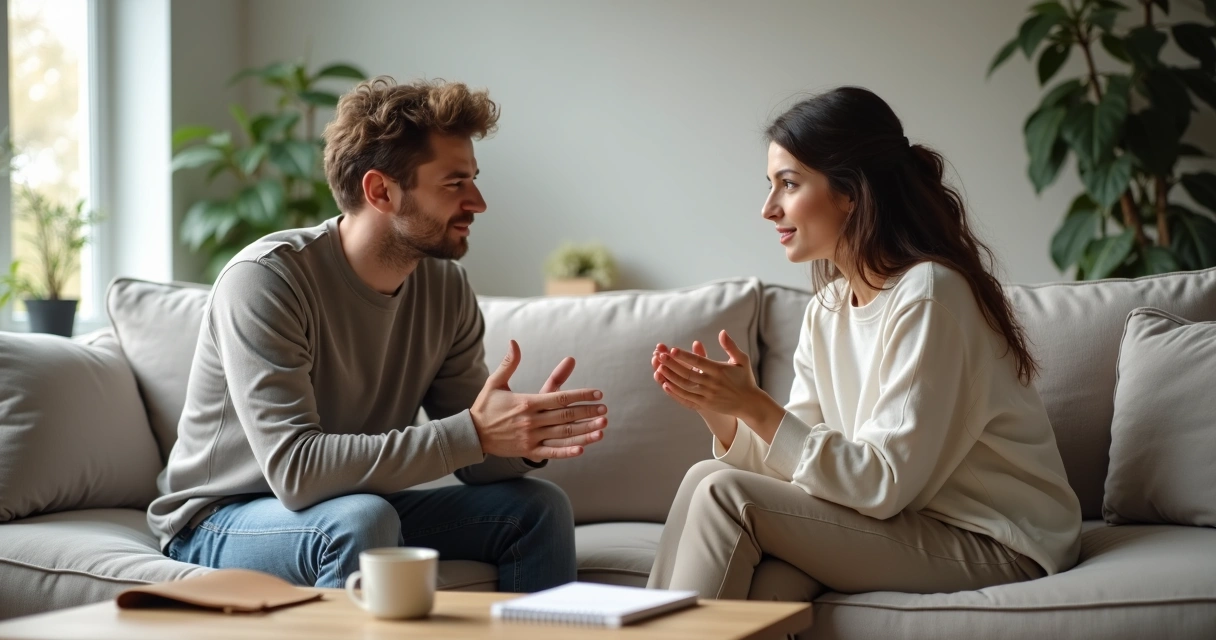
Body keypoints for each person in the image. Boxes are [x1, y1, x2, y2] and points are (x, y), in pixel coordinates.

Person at [148, 77, 609, 592]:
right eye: (454, 183)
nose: (477, 202)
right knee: (362, 520)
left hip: (351, 505)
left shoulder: (445, 288)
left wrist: (521, 435)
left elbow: (475, 459)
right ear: (380, 191)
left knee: (538, 507)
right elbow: (296, 473)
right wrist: (474, 434)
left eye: (474, 179)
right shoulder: (266, 280)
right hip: (220, 517)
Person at [646, 87, 1081, 601]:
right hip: (902, 524)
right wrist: (724, 411)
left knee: (723, 493)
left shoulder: (930, 295)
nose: (768, 209)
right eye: (770, 186)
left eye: (788, 184)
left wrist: (755, 406)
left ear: (850, 191)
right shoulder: (827, 309)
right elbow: (804, 465)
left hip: (997, 540)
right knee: (715, 490)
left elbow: (882, 483)